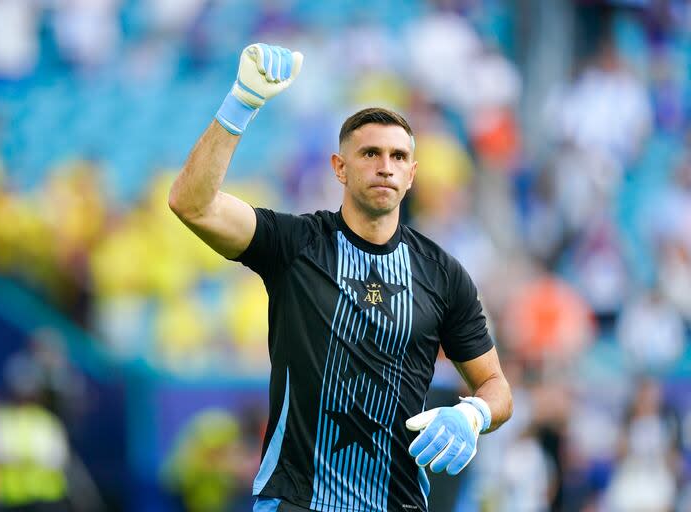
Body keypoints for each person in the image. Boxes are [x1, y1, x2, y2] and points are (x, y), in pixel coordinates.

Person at [168, 43, 513, 512]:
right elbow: (192, 204)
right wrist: (242, 102)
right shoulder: (295, 245)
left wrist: (473, 414)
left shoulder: (443, 273)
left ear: (412, 174)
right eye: (370, 153)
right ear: (340, 167)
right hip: (295, 502)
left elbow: (495, 385)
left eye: (397, 156)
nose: (384, 166)